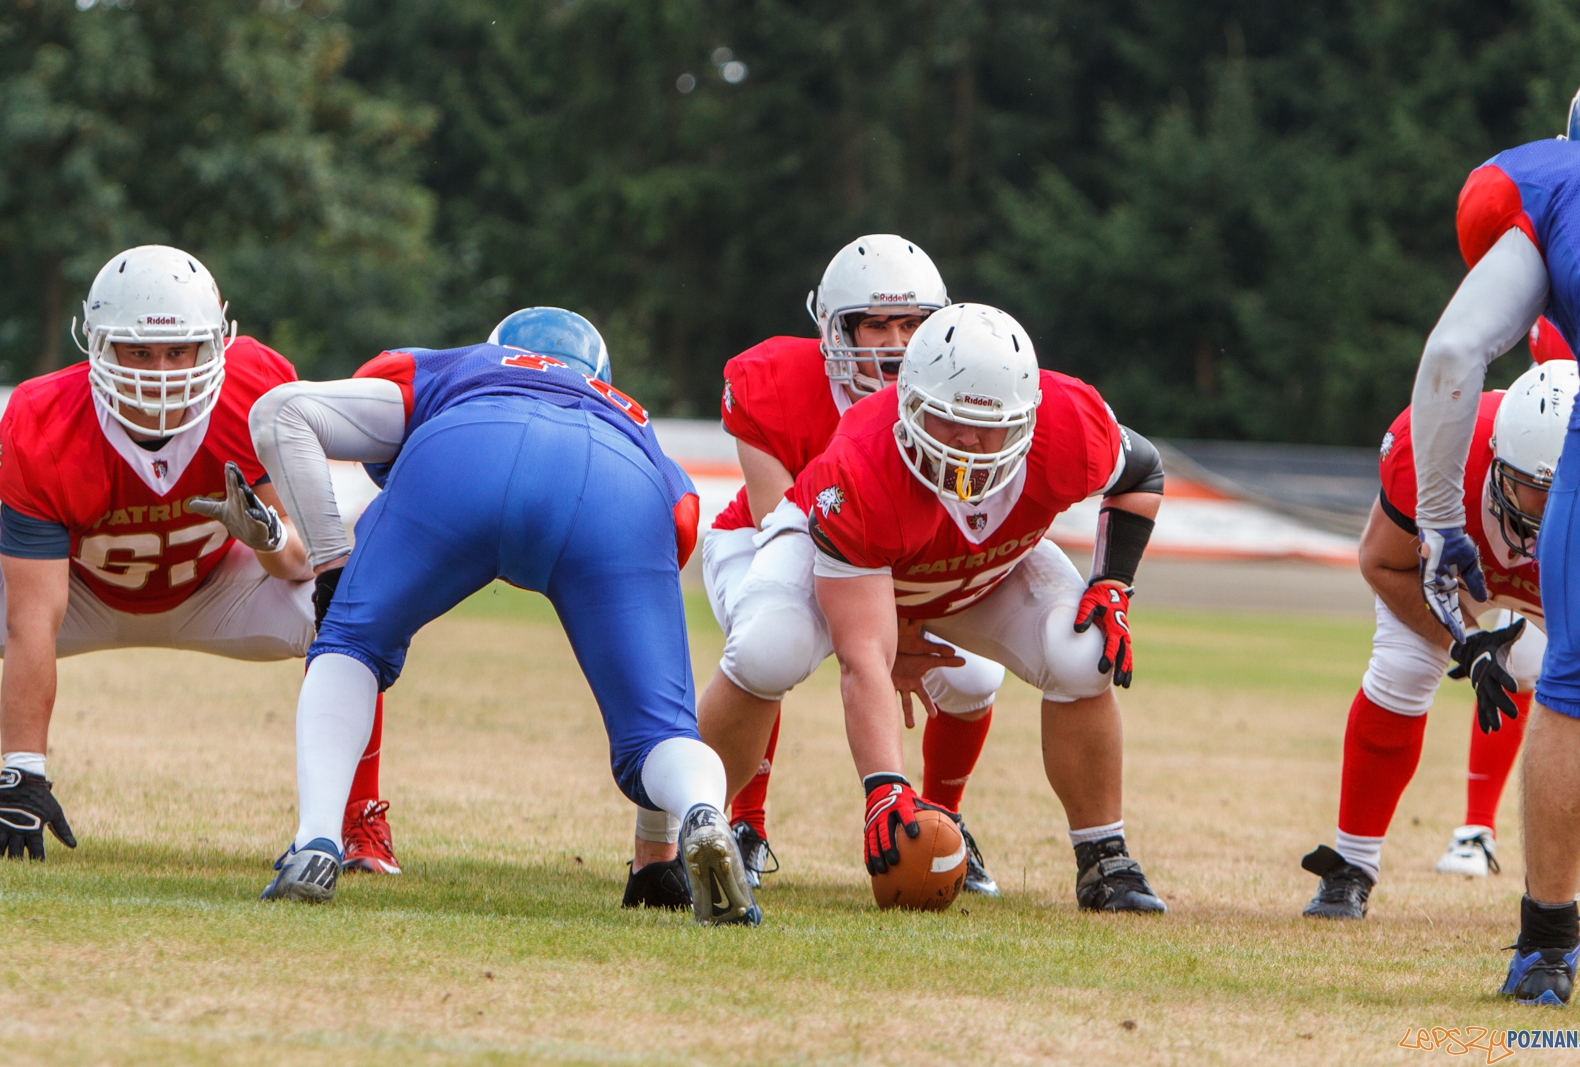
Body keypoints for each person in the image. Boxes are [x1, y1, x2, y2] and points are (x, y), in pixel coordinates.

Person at [248, 307, 759, 925]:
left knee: (350, 645)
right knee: (661, 733)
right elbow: (676, 524)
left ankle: (316, 845)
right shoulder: (634, 418)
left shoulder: (465, 365)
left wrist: (332, 566)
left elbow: (282, 414)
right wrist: (654, 858)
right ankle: (704, 811)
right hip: (618, 482)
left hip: (469, 445)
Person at [623, 235, 1008, 910]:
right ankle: (742, 823)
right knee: (766, 647)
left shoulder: (952, 398)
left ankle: (939, 822)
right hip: (774, 540)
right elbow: (786, 531)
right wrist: (874, 643)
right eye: (876, 323)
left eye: (912, 324)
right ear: (835, 329)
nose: (894, 343)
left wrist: (902, 628)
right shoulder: (773, 380)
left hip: (897, 564)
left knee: (976, 675)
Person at [0, 245, 396, 872]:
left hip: (217, 589)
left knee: (352, 609)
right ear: (99, 346)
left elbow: (301, 562)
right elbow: (31, 617)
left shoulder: (254, 388)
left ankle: (354, 823)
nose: (160, 372)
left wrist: (266, 536)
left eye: (178, 350)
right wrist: (23, 768)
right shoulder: (44, 418)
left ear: (213, 342)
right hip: (84, 593)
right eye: (139, 351)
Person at [791, 302, 1168, 912]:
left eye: (987, 424)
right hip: (866, 577)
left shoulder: (1065, 423)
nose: (967, 440)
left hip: (987, 572)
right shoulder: (863, 459)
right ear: (909, 404)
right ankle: (710, 829)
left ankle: (1105, 857)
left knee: (1086, 653)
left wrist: (1114, 584)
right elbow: (864, 658)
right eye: (947, 420)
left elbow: (1142, 472)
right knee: (766, 649)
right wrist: (884, 788)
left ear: (1026, 416)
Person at [1408, 67, 1580, 1005]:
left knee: (1576, 683)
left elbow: (1453, 353)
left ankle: (1548, 946)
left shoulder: (1553, 178)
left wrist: (1443, 521)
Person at [1300, 361, 1577, 919]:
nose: (1543, 513)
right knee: (1400, 670)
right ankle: (1352, 864)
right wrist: (1466, 641)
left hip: (1566, 583)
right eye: (1531, 490)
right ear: (1497, 457)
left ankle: (1551, 899)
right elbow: (1381, 562)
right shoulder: (1441, 445)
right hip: (1454, 572)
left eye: (1561, 493)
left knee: (1573, 703)